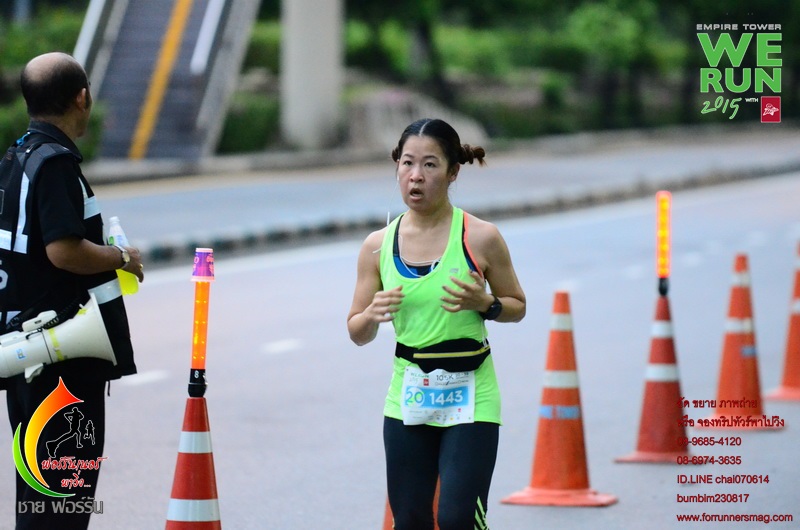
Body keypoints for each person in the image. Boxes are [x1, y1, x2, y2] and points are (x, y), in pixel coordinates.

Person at [347, 118, 526, 530]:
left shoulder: (480, 237)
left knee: (457, 518)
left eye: (430, 165)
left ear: (452, 172)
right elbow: (356, 330)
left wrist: (487, 304)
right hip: (408, 395)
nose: (416, 175)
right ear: (396, 167)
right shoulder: (378, 246)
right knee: (410, 520)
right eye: (407, 163)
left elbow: (517, 305)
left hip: (472, 395)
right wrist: (371, 315)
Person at [0, 52, 144, 529]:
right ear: (82, 98)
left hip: (26, 352)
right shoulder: (56, 164)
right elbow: (63, 251)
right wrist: (121, 258)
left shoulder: (16, 158)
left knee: (38, 496)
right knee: (60, 504)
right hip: (62, 359)